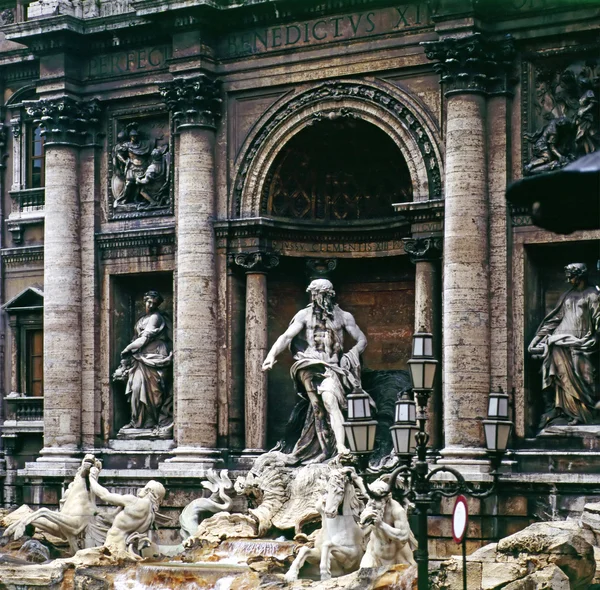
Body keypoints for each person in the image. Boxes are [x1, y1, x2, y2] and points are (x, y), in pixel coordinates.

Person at [262, 279, 372, 464]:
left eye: (319, 294)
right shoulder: (304, 315)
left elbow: (362, 339)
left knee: (330, 401)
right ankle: (324, 450)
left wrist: (351, 354)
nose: (315, 298)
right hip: (309, 365)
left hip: (331, 368)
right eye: (313, 294)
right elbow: (287, 336)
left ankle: (341, 448)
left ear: (329, 294)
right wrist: (271, 356)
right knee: (317, 409)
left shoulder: (344, 316)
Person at [529, 263, 600, 427]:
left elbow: (598, 320)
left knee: (585, 379)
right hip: (559, 344)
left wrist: (594, 339)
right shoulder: (566, 296)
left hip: (581, 344)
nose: (568, 279)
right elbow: (553, 320)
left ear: (580, 275)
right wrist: (535, 340)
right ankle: (567, 412)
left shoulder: (593, 295)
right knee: (561, 379)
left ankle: (585, 415)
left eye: (571, 276)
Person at [116, 290, 173, 433]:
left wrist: (127, 350)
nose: (151, 305)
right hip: (140, 358)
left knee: (154, 392)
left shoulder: (155, 317)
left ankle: (150, 421)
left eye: (154, 303)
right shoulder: (141, 319)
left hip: (156, 354)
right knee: (136, 388)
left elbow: (145, 338)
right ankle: (136, 421)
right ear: (144, 301)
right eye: (149, 302)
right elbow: (136, 338)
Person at [88, 466, 165, 558]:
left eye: (144, 488)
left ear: (148, 490)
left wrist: (92, 477)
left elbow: (104, 495)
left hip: (113, 547)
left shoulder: (133, 501)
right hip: (129, 550)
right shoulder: (151, 516)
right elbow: (125, 524)